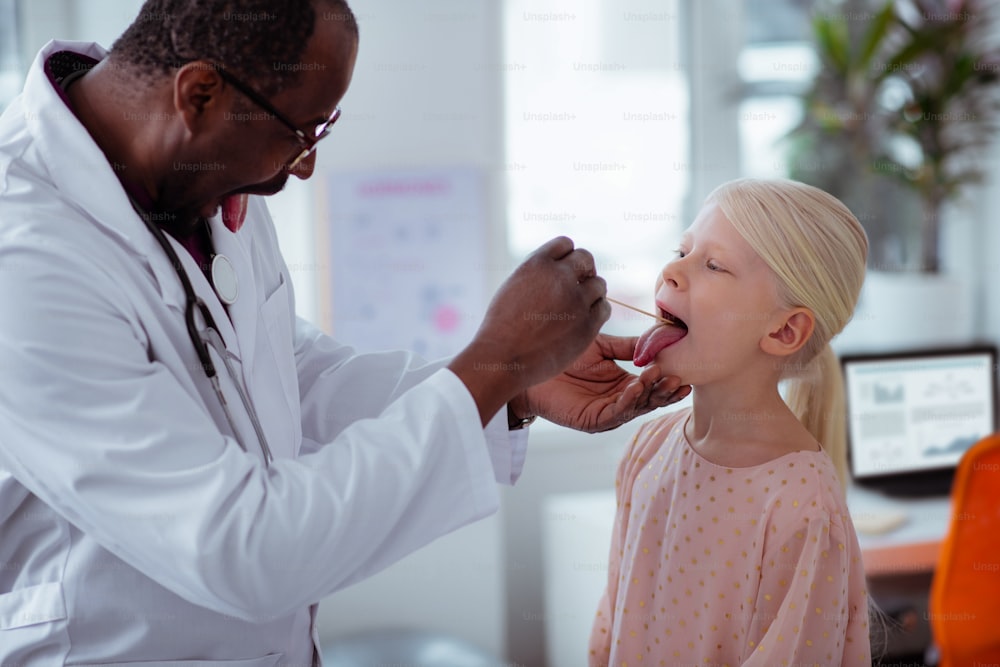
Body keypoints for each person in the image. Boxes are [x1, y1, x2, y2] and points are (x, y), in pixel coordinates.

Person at [0, 0, 690, 663]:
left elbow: (282, 375)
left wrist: (512, 385)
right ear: (199, 93)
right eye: (300, 132)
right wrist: (493, 361)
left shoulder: (198, 173)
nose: (303, 166)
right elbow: (244, 548)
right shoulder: (26, 263)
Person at [589, 178, 872, 666]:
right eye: (681, 250)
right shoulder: (648, 447)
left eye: (713, 264)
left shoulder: (803, 507)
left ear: (784, 330)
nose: (671, 270)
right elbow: (610, 627)